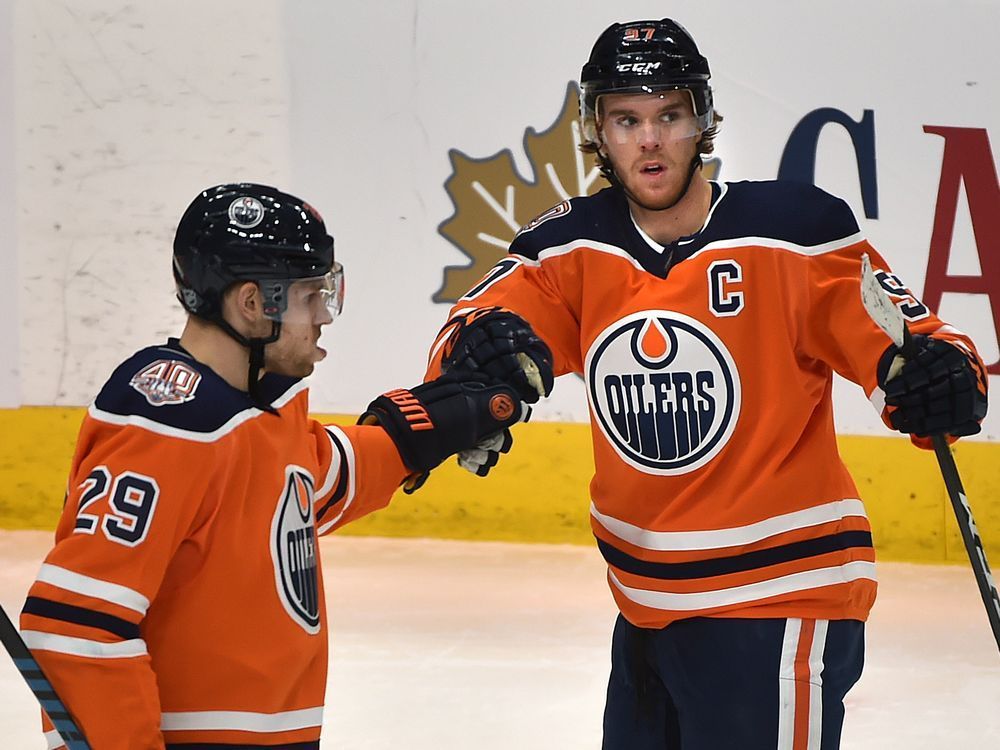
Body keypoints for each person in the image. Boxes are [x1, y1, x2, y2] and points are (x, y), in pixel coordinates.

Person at [425, 19, 989, 750]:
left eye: (669, 115)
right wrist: (475, 359)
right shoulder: (566, 247)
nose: (650, 140)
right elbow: (466, 336)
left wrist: (942, 380)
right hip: (645, 613)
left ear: (704, 120)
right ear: (597, 131)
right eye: (626, 119)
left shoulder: (796, 231)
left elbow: (923, 350)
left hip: (782, 600)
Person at [19, 182, 525, 749]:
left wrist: (429, 427)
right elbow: (75, 626)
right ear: (255, 304)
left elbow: (309, 484)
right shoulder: (169, 423)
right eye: (312, 296)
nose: (325, 317)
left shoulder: (256, 406)